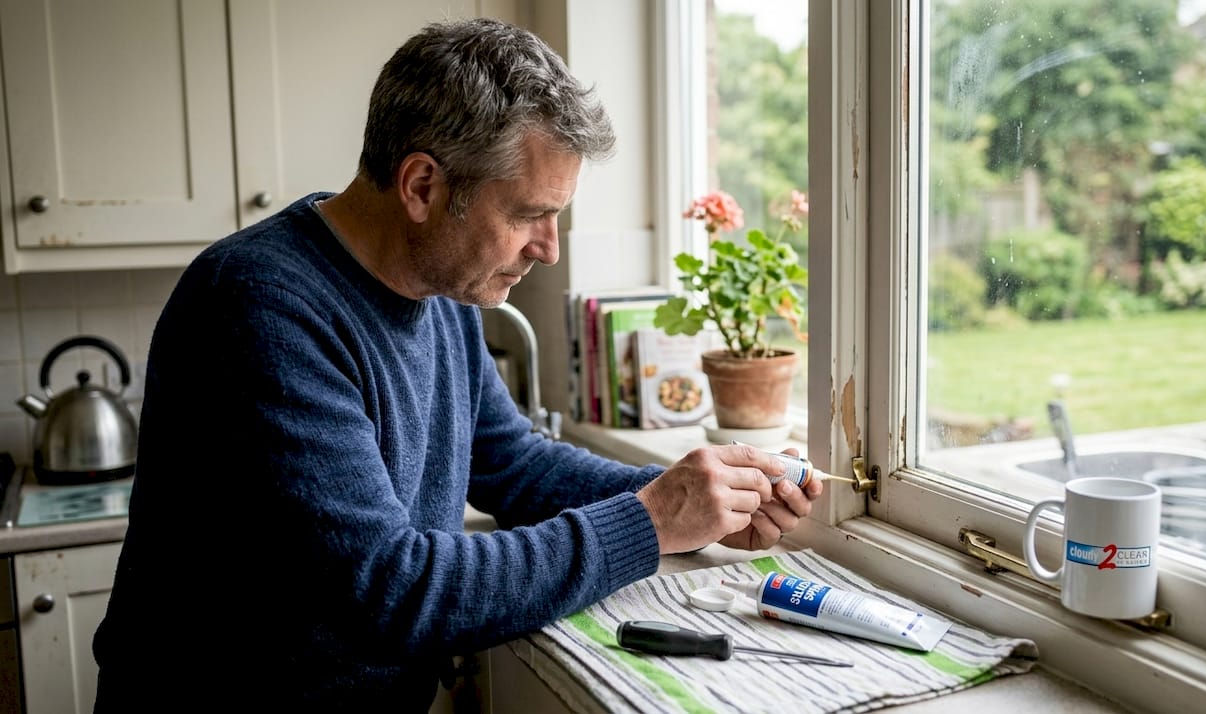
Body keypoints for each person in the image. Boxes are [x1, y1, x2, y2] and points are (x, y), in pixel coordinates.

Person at [91, 17, 821, 712]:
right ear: (421, 187)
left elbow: (512, 464)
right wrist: (650, 521)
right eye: (529, 213)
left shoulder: (441, 290)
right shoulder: (258, 307)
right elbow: (395, 589)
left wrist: (704, 501)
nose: (549, 248)